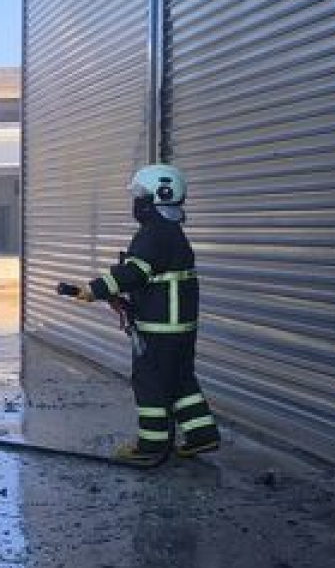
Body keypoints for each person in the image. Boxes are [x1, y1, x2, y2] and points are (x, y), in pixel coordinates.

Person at [62, 163, 221, 466]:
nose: (137, 201)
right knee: (179, 380)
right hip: (180, 328)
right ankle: (202, 435)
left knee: (149, 382)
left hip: (160, 329)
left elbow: (135, 272)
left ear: (159, 196)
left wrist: (94, 290)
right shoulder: (172, 233)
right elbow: (154, 280)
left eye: (141, 194)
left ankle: (151, 446)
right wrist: (122, 301)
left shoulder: (153, 235)